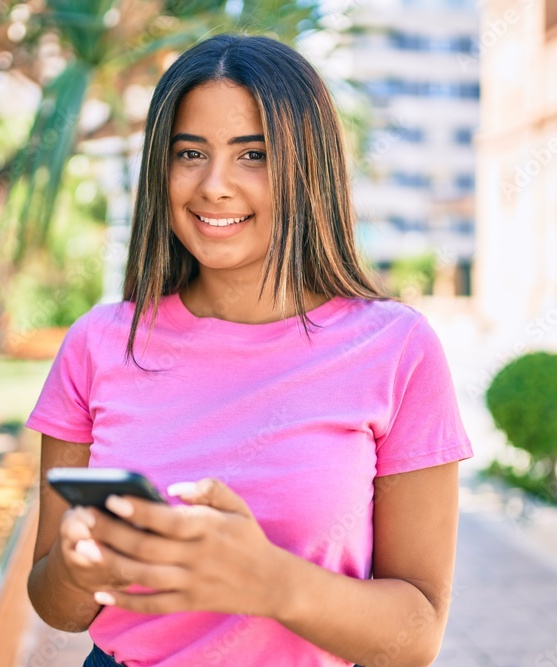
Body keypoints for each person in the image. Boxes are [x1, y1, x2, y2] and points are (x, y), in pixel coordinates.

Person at [25, 32, 473, 667]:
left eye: (253, 154)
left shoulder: (397, 348)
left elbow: (416, 638)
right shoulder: (98, 344)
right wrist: (76, 565)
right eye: (189, 153)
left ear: (305, 167)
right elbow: (59, 609)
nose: (214, 186)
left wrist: (264, 579)